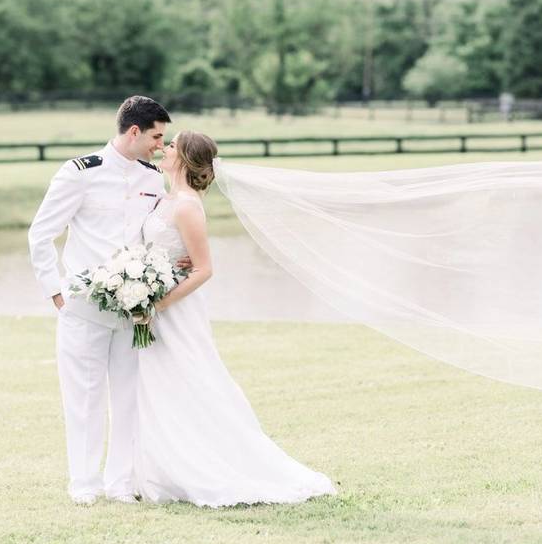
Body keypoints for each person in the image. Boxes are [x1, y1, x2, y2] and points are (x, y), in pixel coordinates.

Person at [134, 131, 337, 506]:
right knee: (159, 382)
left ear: (184, 159)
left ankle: (209, 465)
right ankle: (161, 470)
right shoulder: (165, 199)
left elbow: (204, 269)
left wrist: (157, 304)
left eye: (172, 146)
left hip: (175, 310)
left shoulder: (188, 206)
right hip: (153, 302)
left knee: (192, 378)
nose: (164, 149)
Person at [28, 96, 170, 505]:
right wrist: (54, 290)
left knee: (128, 398)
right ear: (133, 132)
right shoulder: (79, 173)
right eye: (156, 137)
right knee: (85, 398)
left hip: (135, 310)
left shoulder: (152, 178)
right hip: (84, 305)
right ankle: (85, 485)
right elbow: (41, 233)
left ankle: (120, 483)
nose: (160, 146)